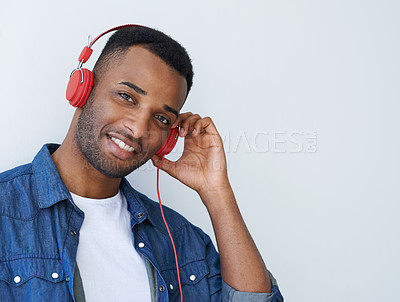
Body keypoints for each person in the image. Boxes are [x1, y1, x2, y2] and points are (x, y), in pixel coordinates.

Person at [0, 25, 284, 302]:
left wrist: (217, 193)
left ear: (170, 138)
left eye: (161, 118)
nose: (138, 130)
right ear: (83, 89)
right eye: (127, 97)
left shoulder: (178, 238)